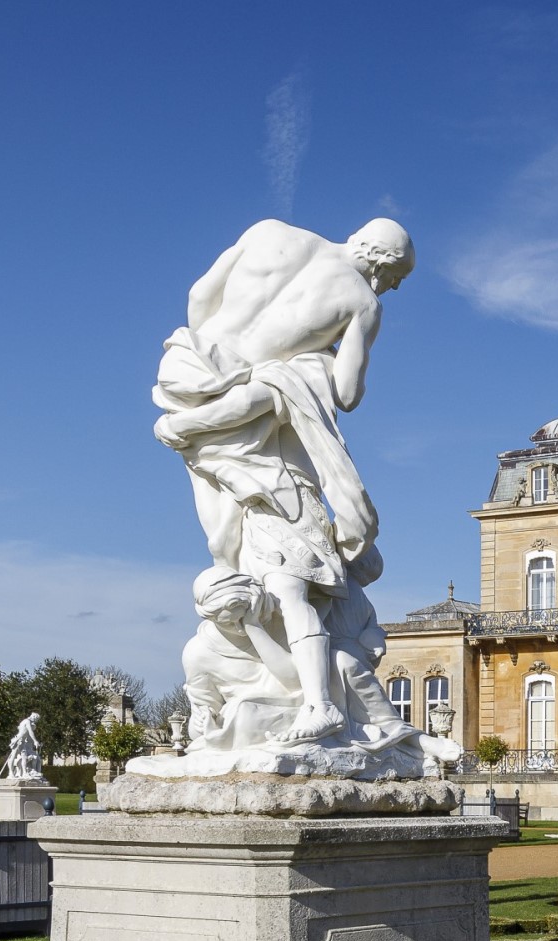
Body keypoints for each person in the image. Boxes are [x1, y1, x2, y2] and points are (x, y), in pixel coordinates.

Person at [151, 218, 417, 747]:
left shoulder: (268, 231)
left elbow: (199, 297)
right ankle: (307, 695)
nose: (392, 288)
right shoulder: (363, 302)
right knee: (263, 548)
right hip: (257, 415)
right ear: (381, 261)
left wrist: (226, 361)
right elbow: (347, 394)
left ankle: (267, 680)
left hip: (195, 375)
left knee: (227, 542)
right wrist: (310, 358)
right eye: (397, 277)